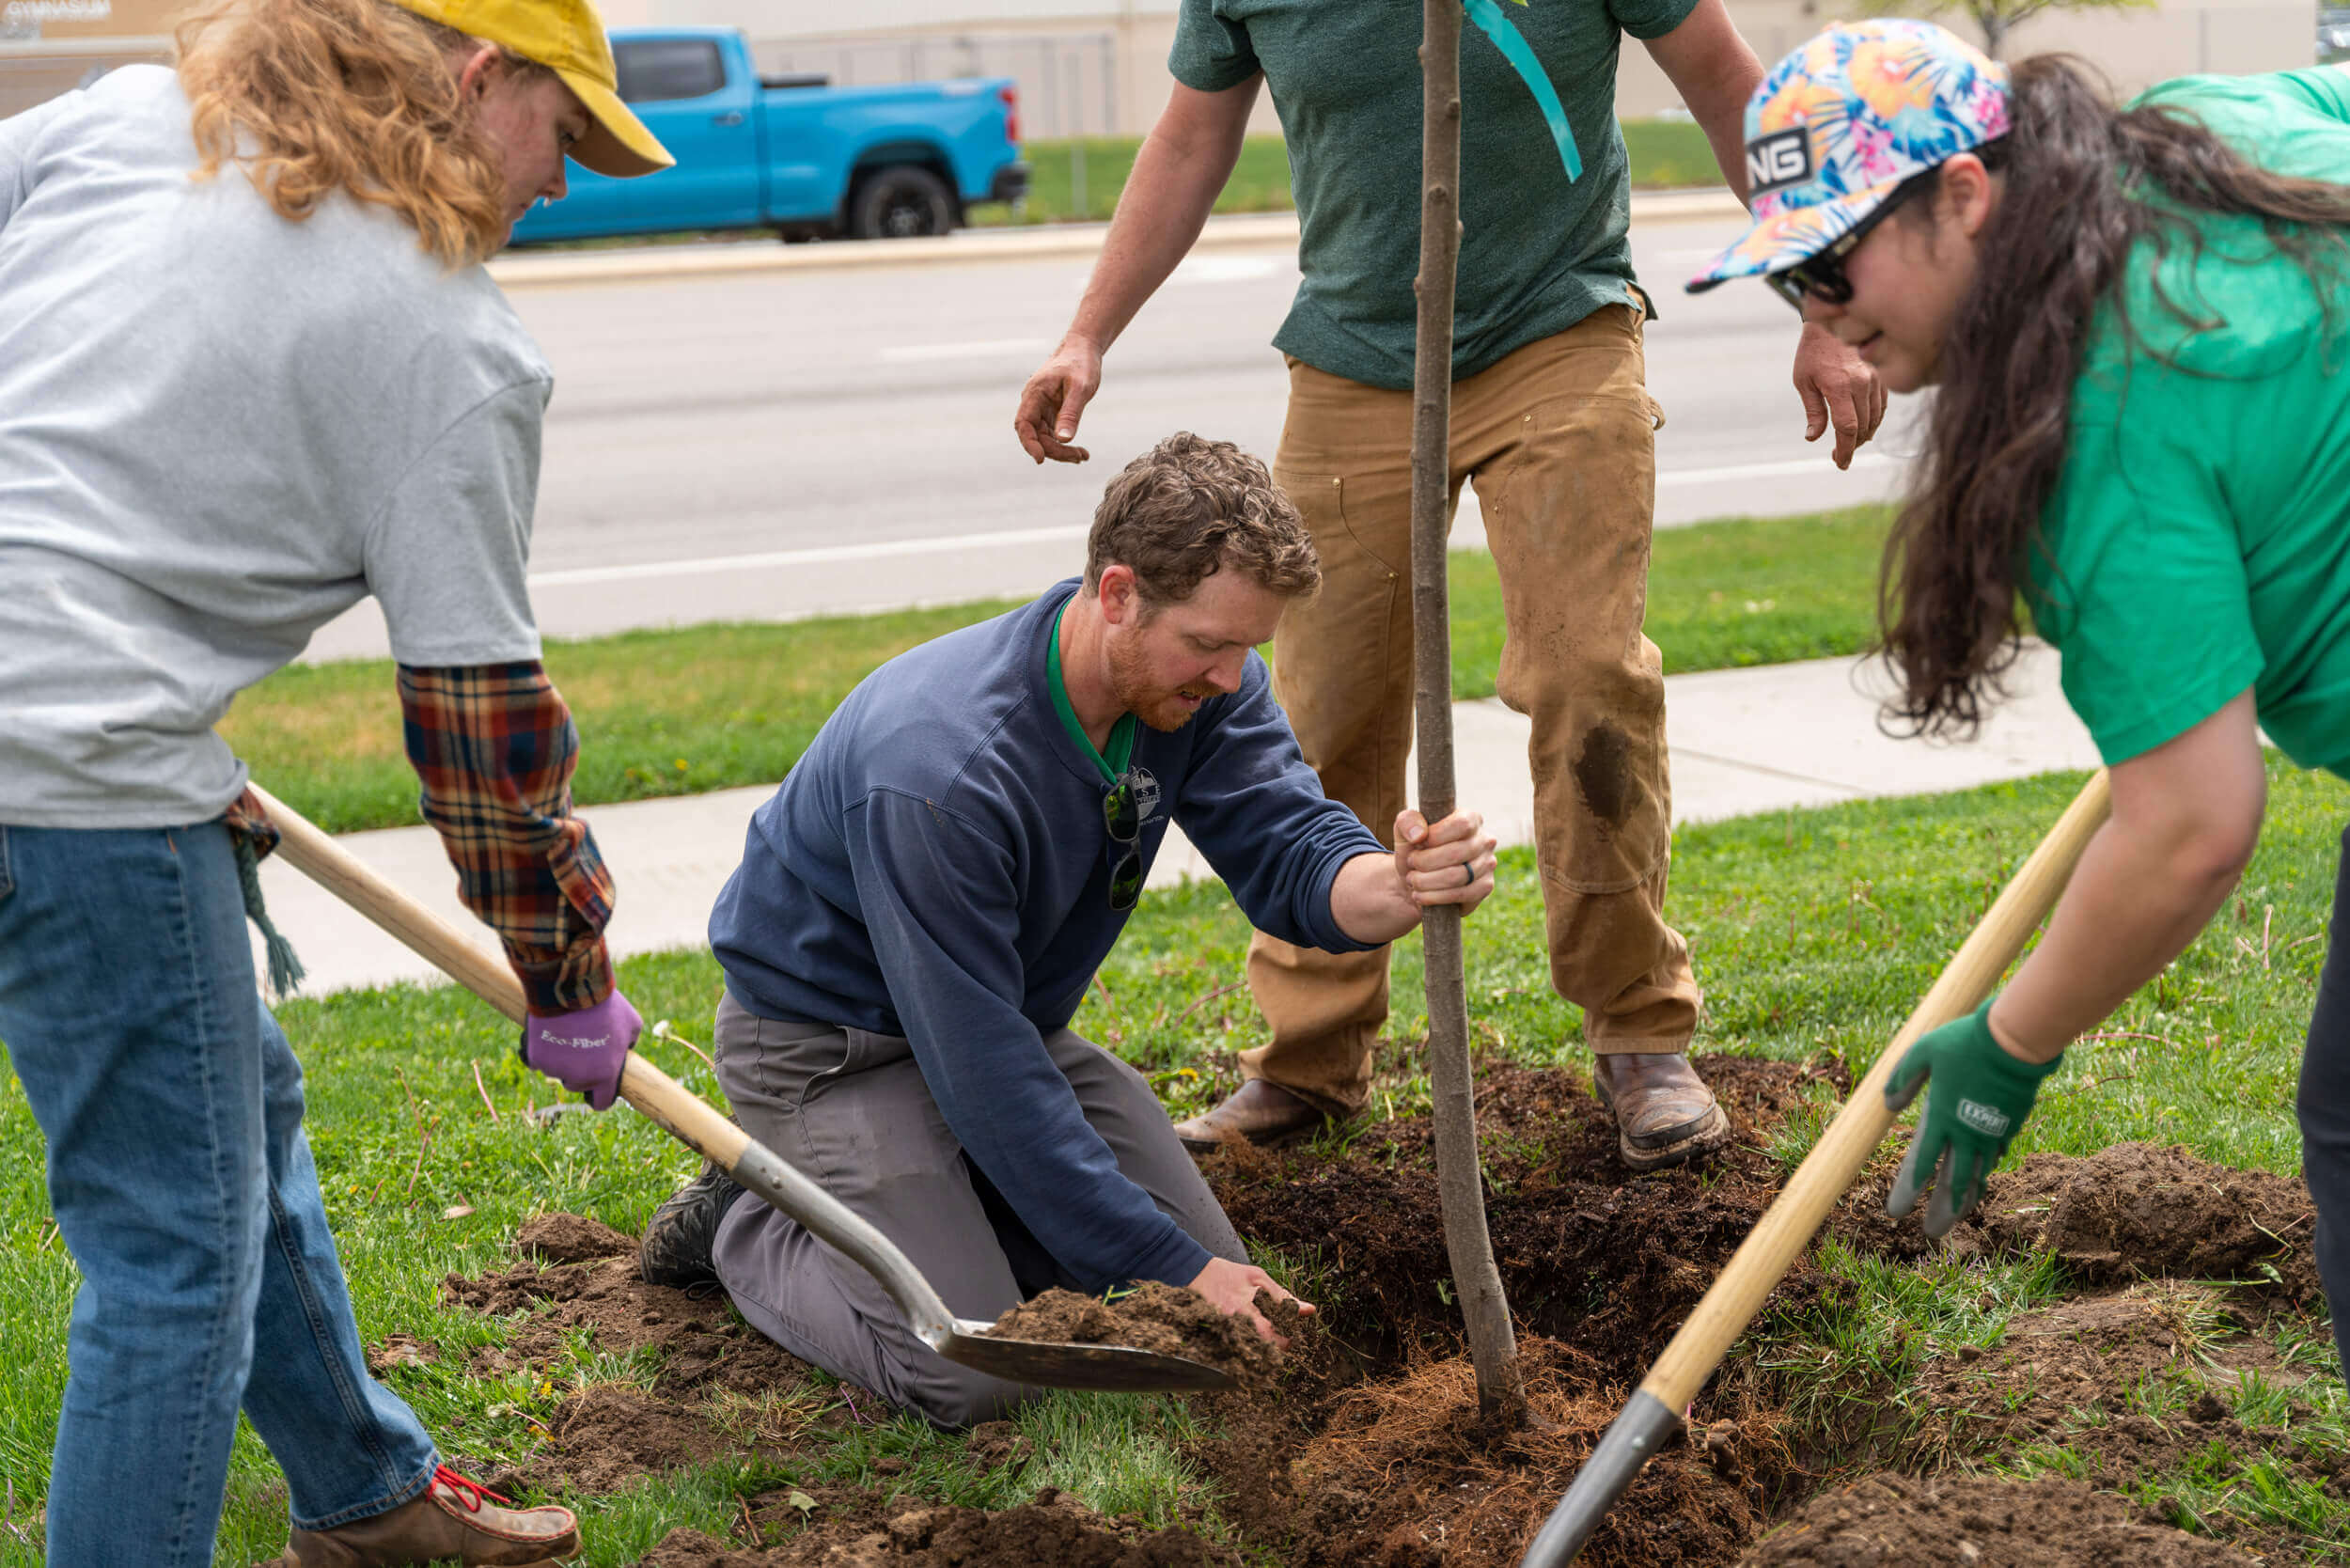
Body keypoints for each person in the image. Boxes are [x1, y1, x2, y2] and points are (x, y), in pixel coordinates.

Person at [0, 0, 674, 1562]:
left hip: (85, 755)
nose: (564, 185)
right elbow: (483, 731)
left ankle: (367, 1499)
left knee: (241, 1110)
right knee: (174, 1260)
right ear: (478, 76)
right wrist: (564, 969)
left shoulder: (129, 121)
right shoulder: (451, 342)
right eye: (563, 136)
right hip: (78, 783)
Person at [1011, 0, 1886, 1169]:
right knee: (1319, 710)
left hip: (1560, 328)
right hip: (1353, 351)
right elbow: (1187, 139)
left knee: (1589, 678)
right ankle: (1309, 1059)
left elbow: (1732, 91)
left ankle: (1636, 1032)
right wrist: (1087, 333)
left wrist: (1823, 307)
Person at [1684, 20, 2350, 1362]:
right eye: (1788, 280)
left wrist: (2009, 1045)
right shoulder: (2210, 135)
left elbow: (2189, 827)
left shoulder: (2097, 427)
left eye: (1831, 261)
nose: (1820, 315)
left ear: (1967, 196)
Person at [637, 433, 1499, 1426]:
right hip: (836, 1054)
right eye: (1210, 646)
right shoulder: (941, 772)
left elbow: (1286, 841)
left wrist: (1388, 886)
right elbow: (991, 1084)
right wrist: (1173, 1263)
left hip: (1000, 1028)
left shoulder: (1197, 688)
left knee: (1177, 1302)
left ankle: (932, 1207)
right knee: (981, 1369)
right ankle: (753, 1221)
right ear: (1119, 593)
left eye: (1246, 650)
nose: (1231, 677)